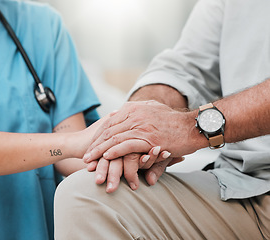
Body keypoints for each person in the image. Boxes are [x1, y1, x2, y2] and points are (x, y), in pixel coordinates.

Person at [54, 0, 270, 239]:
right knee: (85, 195)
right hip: (242, 188)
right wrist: (136, 127)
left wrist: (188, 128)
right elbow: (182, 68)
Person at [0, 0, 102, 239]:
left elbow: (74, 155)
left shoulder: (42, 25)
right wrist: (72, 144)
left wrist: (121, 150)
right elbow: (72, 143)